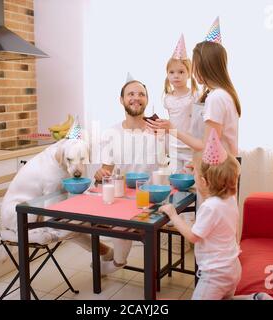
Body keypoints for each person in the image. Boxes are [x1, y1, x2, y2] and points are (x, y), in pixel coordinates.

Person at [159, 129, 273, 300]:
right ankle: (256, 298)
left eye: (196, 175)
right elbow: (225, 168)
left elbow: (193, 236)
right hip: (232, 268)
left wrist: (173, 214)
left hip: (215, 275)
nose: (194, 176)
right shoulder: (229, 198)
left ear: (204, 182)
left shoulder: (210, 207)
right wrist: (199, 168)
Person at [94, 79, 167, 274]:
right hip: (124, 197)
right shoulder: (111, 133)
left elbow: (174, 161)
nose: (136, 98)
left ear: (147, 99)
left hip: (153, 198)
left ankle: (116, 263)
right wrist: (100, 174)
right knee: (78, 222)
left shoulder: (158, 129)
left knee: (122, 224)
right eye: (131, 94)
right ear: (121, 100)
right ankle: (114, 259)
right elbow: (105, 171)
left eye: (141, 94)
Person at [147, 19, 241, 158]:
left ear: (204, 65)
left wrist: (171, 129)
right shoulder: (222, 94)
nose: (193, 69)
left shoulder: (216, 98)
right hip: (225, 166)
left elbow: (206, 146)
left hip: (219, 170)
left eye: (194, 64)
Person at [163, 34, 203, 173]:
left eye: (181, 72)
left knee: (191, 180)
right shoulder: (167, 98)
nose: (176, 75)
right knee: (175, 179)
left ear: (189, 73)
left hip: (189, 147)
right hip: (174, 147)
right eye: (172, 72)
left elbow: (199, 122)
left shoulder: (194, 95)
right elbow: (171, 122)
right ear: (167, 75)